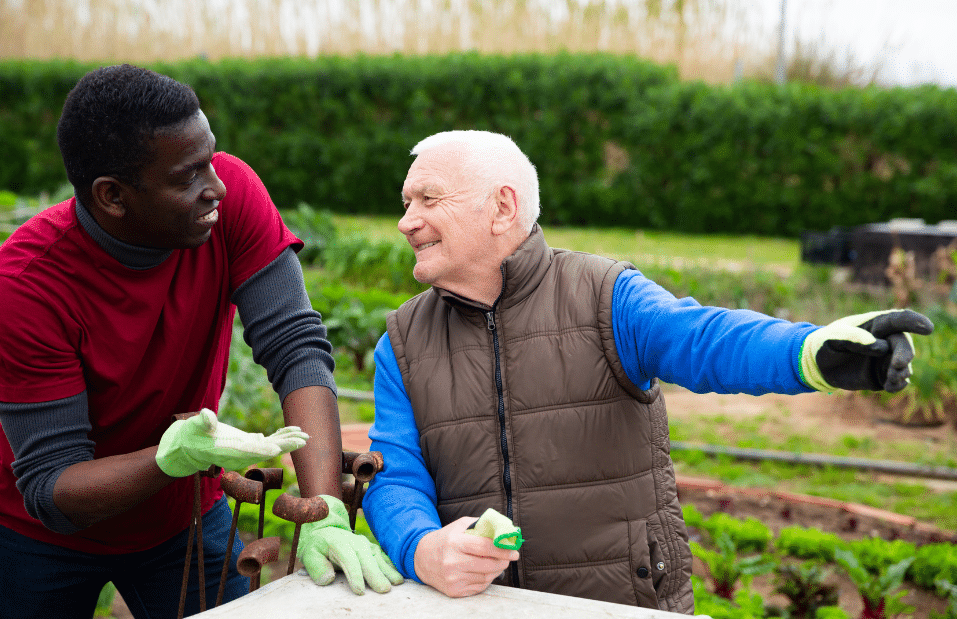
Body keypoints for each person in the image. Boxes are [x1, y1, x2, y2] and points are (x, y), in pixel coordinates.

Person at [360, 130, 934, 613]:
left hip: (622, 603)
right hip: (483, 608)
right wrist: (421, 547)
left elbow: (704, 339)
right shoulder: (403, 343)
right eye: (406, 203)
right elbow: (396, 474)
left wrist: (810, 352)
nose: (407, 222)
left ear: (502, 208)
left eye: (428, 199)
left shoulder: (603, 296)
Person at [0, 64, 400, 619]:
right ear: (113, 197)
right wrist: (167, 458)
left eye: (211, 159)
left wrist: (325, 512)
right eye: (186, 176)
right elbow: (53, 489)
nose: (215, 186)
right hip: (38, 540)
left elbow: (295, 345)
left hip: (182, 519)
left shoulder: (229, 198)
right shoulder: (25, 286)